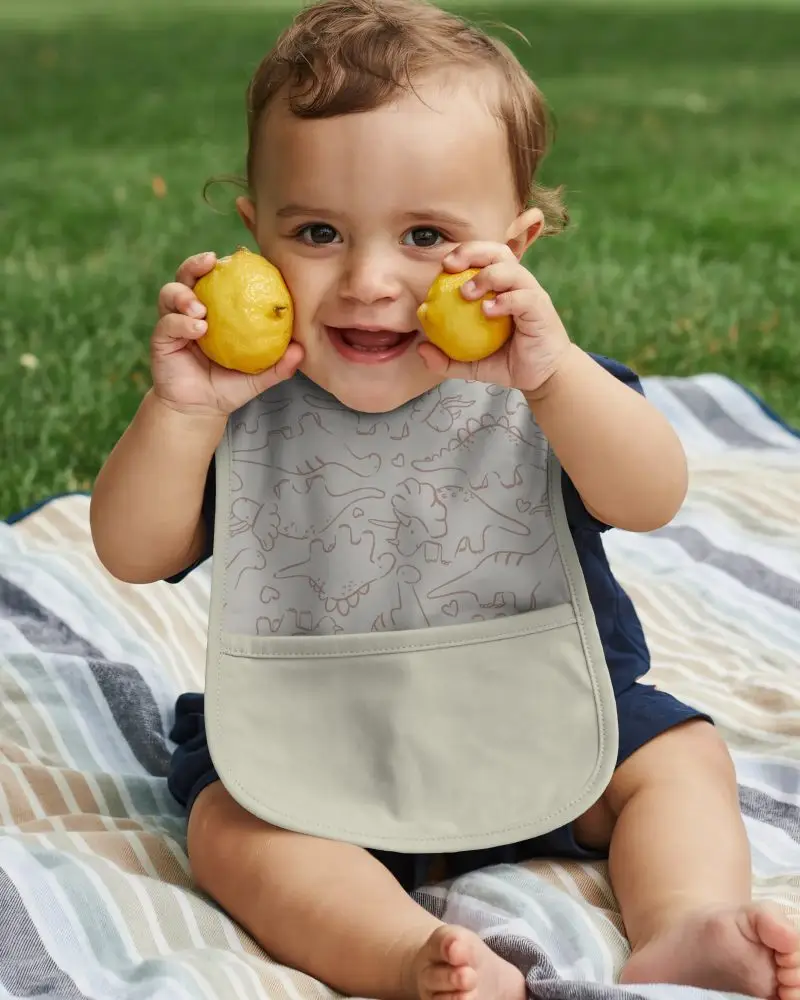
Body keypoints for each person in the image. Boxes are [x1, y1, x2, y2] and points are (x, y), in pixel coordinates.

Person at [89, 1, 800, 998]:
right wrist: (178, 411)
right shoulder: (240, 408)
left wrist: (551, 380)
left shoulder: (537, 385)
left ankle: (682, 925)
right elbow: (131, 549)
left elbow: (650, 495)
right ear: (254, 235)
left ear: (515, 245)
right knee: (229, 826)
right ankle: (400, 952)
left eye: (425, 234)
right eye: (319, 231)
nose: (370, 279)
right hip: (313, 743)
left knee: (677, 757)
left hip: (541, 714)